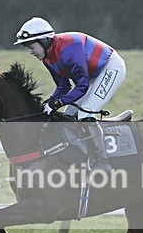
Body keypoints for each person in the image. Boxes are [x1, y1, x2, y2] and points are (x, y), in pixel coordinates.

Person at [14, 17, 126, 172]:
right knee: (67, 119)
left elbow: (82, 86)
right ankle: (82, 157)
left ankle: (102, 162)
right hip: (90, 75)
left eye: (32, 47)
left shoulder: (68, 50)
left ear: (45, 41)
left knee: (85, 116)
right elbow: (63, 86)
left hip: (110, 67)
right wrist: (49, 103)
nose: (31, 52)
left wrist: (58, 103)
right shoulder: (47, 58)